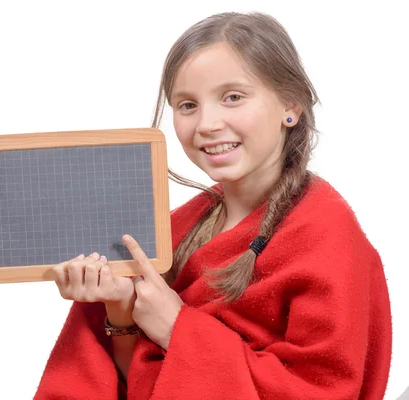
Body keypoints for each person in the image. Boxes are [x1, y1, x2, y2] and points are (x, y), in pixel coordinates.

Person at [34, 11, 392, 400]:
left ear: (291, 105)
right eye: (187, 105)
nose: (206, 123)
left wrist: (176, 328)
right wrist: (120, 310)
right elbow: (138, 383)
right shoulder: (173, 228)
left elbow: (321, 389)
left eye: (233, 97)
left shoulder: (326, 236)